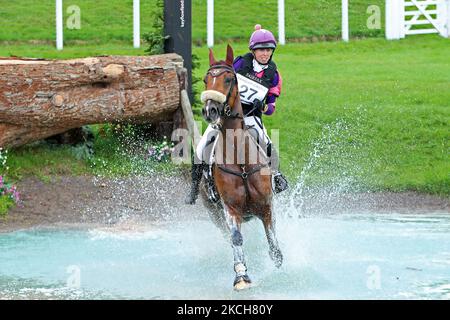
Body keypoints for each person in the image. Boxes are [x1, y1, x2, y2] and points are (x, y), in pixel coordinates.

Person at [185, 24, 289, 205]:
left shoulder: (274, 74)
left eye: (268, 50)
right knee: (202, 147)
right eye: (261, 50)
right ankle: (194, 187)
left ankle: (277, 176)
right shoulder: (241, 63)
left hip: (251, 117)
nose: (265, 54)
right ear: (253, 51)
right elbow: (225, 78)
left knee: (266, 142)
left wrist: (265, 107)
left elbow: (272, 104)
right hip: (228, 113)